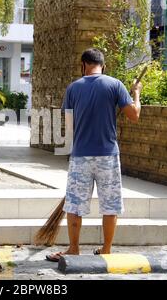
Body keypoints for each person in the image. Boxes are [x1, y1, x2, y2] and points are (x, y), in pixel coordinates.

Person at [46, 48, 143, 262]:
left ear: (83, 65)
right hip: (108, 155)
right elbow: (134, 115)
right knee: (110, 205)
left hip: (81, 155)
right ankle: (106, 249)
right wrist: (136, 92)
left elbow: (69, 127)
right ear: (103, 66)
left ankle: (73, 249)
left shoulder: (73, 88)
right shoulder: (115, 85)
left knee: (74, 204)